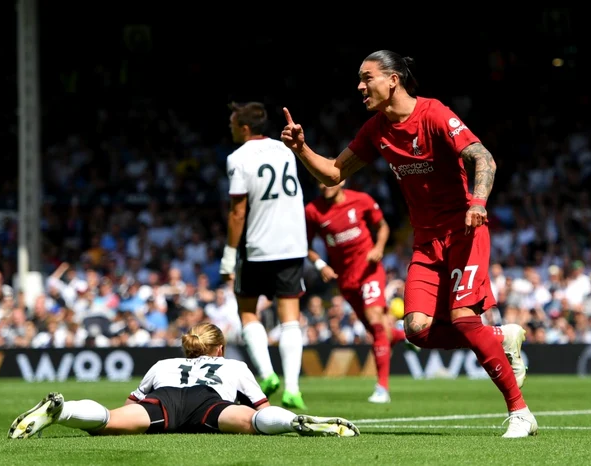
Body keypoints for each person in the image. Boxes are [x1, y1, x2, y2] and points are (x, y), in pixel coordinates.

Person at [280, 50, 537, 438]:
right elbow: (333, 173)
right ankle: (500, 337)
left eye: (367, 78)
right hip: (425, 243)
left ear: (393, 79)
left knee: (465, 319)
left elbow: (483, 157)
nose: (360, 86)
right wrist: (300, 149)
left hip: (465, 233)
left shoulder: (433, 114)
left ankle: (520, 413)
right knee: (416, 329)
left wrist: (478, 202)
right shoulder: (375, 130)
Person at [8, 323, 359, 439]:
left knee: (109, 420)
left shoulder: (165, 363)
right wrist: (259, 413)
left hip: (165, 397)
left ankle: (63, 410)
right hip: (210, 403)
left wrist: (133, 415)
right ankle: (296, 423)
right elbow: (260, 407)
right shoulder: (233, 365)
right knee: (254, 422)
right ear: (219, 348)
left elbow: (133, 404)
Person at [219, 102, 309, 410]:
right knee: (290, 319)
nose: (230, 128)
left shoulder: (238, 158)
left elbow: (237, 211)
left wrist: (229, 256)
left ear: (244, 128)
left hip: (257, 246)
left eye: (232, 124)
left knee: (248, 312)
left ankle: (268, 374)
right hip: (293, 244)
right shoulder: (285, 150)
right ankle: (293, 389)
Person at [306, 180, 408, 403]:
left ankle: (382, 388)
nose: (324, 186)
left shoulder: (361, 200)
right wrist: (320, 265)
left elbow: (382, 226)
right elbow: (305, 245)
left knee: (375, 320)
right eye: (320, 182)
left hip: (370, 271)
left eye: (329, 181)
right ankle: (404, 336)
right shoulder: (313, 211)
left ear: (341, 180)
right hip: (346, 280)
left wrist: (379, 248)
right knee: (377, 331)